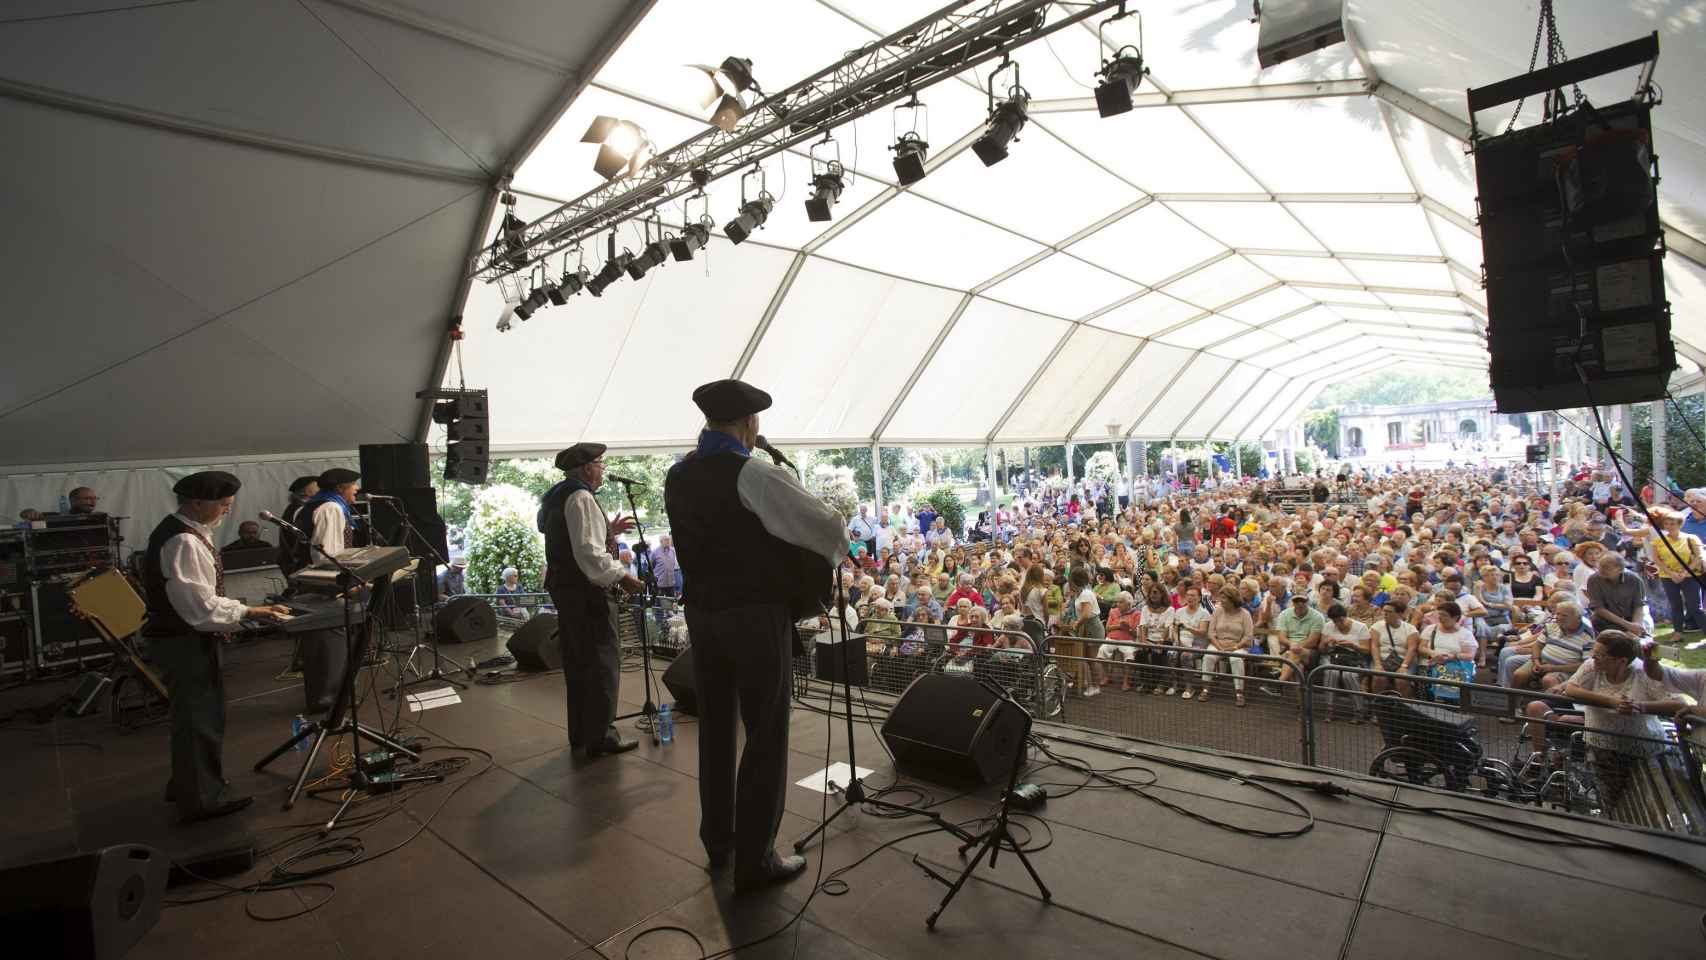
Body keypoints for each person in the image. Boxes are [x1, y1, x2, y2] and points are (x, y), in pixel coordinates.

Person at [663, 379, 846, 893]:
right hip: (753, 616)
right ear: (750, 424)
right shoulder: (753, 473)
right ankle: (756, 857)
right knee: (766, 730)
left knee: (716, 728)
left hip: (703, 614)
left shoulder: (677, 475)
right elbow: (829, 528)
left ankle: (718, 841)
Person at [142, 471, 289, 822]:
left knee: (193, 717)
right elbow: (200, 608)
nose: (226, 513)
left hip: (180, 638)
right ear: (195, 502)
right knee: (200, 719)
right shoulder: (184, 542)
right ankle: (202, 799)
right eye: (222, 506)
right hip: (184, 642)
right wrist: (250, 610)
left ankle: (186, 785)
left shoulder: (184, 532)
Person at [538, 443, 644, 758]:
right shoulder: (582, 497)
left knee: (578, 660)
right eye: (599, 463)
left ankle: (581, 733)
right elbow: (589, 554)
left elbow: (571, 539)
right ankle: (602, 736)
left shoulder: (559, 495)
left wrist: (606, 529)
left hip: (567, 589)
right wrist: (623, 577)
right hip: (587, 594)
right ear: (586, 468)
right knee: (601, 662)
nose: (602, 469)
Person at [296, 467, 363, 714]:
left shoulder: (318, 505)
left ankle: (332, 694)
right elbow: (328, 553)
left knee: (329, 642)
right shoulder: (331, 508)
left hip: (319, 582)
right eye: (353, 485)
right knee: (331, 642)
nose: (356, 489)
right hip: (326, 585)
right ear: (339, 488)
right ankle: (332, 697)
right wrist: (345, 583)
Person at [276, 475, 318, 575]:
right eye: (317, 486)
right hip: (299, 564)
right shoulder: (302, 509)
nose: (321, 489)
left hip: (293, 561)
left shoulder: (294, 507)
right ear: (306, 491)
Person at [17, 485, 100, 521]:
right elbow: (24, 514)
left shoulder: (100, 518)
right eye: (88, 498)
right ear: (73, 500)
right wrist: (29, 512)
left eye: (95, 498)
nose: (93, 501)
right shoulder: (56, 517)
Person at [651, 533, 681, 598]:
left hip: (671, 583)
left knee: (671, 601)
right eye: (666, 540)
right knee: (659, 602)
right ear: (661, 541)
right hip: (660, 583)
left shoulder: (673, 551)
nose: (668, 541)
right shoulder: (655, 552)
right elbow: (651, 566)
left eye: (669, 539)